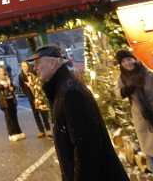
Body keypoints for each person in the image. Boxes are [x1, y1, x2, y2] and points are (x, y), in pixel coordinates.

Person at [27, 45, 129, 181]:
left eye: (38, 63)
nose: (34, 68)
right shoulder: (63, 88)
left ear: (52, 63)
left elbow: (86, 149)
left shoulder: (70, 92)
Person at [115, 49, 153, 172]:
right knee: (151, 154)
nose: (127, 63)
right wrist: (125, 90)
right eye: (123, 61)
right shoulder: (122, 78)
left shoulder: (149, 74)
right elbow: (117, 93)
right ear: (120, 64)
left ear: (134, 59)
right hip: (142, 120)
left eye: (129, 59)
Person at [18, 61, 52, 138]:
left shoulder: (34, 73)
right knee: (36, 114)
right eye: (23, 66)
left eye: (25, 66)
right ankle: (41, 130)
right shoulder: (21, 76)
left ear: (28, 66)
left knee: (43, 113)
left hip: (39, 96)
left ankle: (48, 129)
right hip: (31, 97)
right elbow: (22, 87)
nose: (24, 68)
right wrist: (27, 94)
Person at [0, 66, 25, 142]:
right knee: (8, 118)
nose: (2, 72)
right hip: (4, 100)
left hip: (11, 98)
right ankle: (11, 134)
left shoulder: (8, 77)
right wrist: (3, 86)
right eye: (0, 71)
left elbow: (12, 86)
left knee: (14, 117)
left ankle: (18, 132)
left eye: (3, 70)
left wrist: (13, 87)